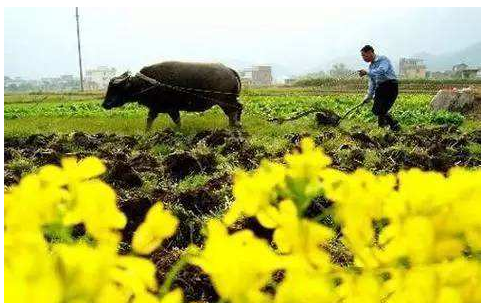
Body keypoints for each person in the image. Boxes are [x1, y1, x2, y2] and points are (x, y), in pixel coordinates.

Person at [358, 45, 400, 131]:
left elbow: (382, 71)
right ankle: (383, 127)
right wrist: (368, 96)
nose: (363, 58)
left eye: (365, 55)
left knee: (382, 109)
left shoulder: (383, 59)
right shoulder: (371, 67)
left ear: (370, 52)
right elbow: (372, 83)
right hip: (380, 87)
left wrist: (367, 72)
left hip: (390, 85)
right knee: (377, 110)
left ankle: (393, 126)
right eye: (362, 56)